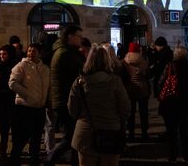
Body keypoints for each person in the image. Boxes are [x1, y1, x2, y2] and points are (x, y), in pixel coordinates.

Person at [68, 44, 130, 166]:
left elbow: (72, 109)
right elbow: (125, 107)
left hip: (85, 132)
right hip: (111, 131)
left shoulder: (79, 82)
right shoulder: (115, 81)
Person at [44, 25, 85, 166]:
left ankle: (74, 161)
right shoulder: (65, 53)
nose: (81, 39)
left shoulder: (66, 51)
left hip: (64, 99)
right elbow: (81, 72)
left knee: (73, 135)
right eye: (79, 36)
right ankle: (50, 159)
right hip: (65, 100)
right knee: (72, 136)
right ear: (70, 37)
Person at [8, 43, 50, 166]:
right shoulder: (21, 66)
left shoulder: (45, 69)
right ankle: (14, 160)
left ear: (40, 53)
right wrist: (27, 94)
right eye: (29, 51)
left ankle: (34, 161)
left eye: (34, 51)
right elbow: (12, 83)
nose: (30, 53)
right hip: (25, 107)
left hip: (39, 108)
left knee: (36, 138)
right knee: (22, 138)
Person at [158, 46, 188, 163]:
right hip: (185, 102)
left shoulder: (170, 66)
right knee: (185, 131)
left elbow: (161, 82)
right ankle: (187, 156)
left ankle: (172, 156)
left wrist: (161, 93)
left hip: (170, 102)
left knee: (171, 131)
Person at [122, 42, 150, 141]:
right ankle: (144, 133)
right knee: (143, 112)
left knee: (131, 112)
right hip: (142, 89)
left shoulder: (125, 62)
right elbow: (148, 75)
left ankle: (131, 133)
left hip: (130, 90)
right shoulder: (143, 61)